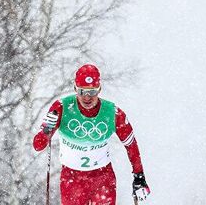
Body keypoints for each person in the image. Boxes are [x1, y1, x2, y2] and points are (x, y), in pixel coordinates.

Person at [33, 64, 150, 204]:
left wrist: (139, 176)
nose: (87, 97)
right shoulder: (62, 107)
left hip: (102, 179)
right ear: (75, 89)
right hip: (72, 179)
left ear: (99, 89)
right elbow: (38, 146)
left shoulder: (113, 113)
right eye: (82, 91)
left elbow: (131, 145)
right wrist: (46, 131)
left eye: (92, 92)